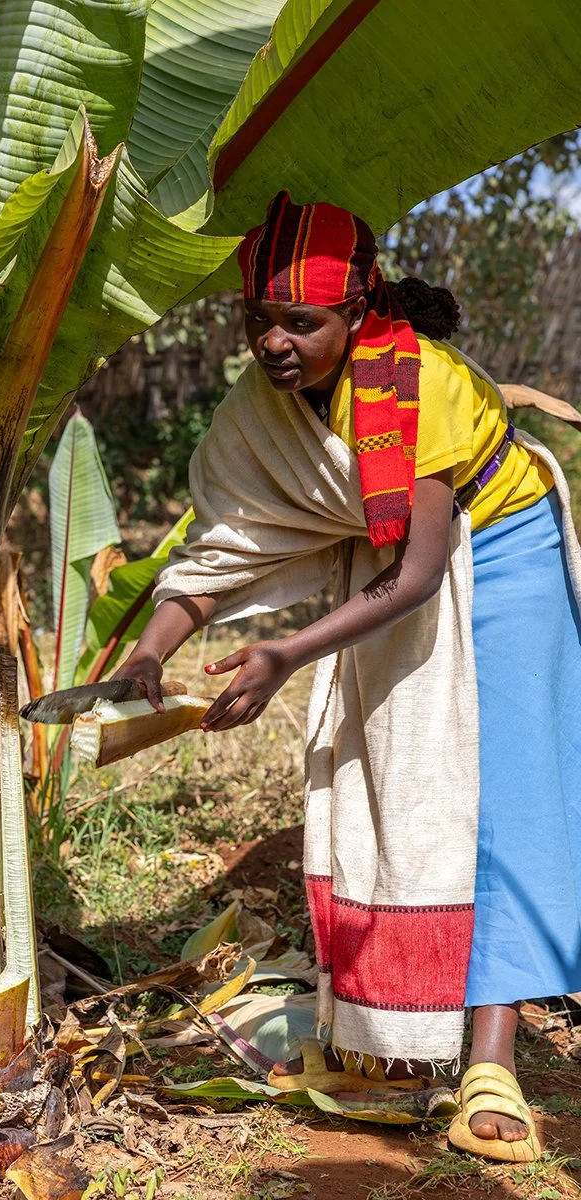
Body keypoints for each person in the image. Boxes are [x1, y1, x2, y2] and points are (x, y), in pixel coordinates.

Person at [113, 193, 581, 1163]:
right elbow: (227, 546)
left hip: (498, 557)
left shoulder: (420, 385)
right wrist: (151, 649)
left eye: (300, 323)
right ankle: (388, 1034)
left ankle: (488, 1057)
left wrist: (284, 654)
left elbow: (414, 576)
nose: (273, 344)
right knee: (389, 789)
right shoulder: (264, 404)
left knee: (497, 797)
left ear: (356, 312)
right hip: (386, 574)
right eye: (258, 323)